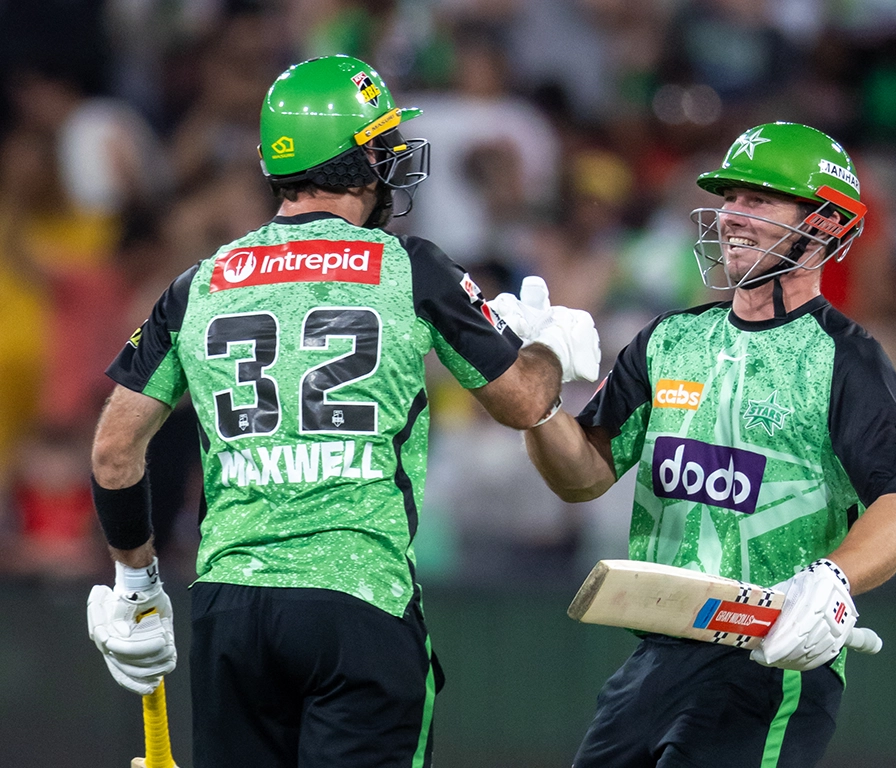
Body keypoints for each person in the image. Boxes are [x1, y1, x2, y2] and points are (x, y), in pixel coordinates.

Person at [84, 54, 599, 768]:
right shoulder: (409, 265)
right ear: (353, 163)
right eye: (381, 144)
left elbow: (114, 452)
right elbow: (524, 402)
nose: (391, 161)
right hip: (360, 595)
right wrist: (549, 347)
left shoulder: (197, 283)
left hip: (231, 605)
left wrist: (135, 585)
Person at [498, 121, 896, 767]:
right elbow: (583, 476)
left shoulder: (848, 358)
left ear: (825, 223)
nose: (732, 216)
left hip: (770, 655)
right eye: (731, 198)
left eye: (759, 201)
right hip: (655, 656)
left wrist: (833, 579)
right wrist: (537, 400)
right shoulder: (668, 339)